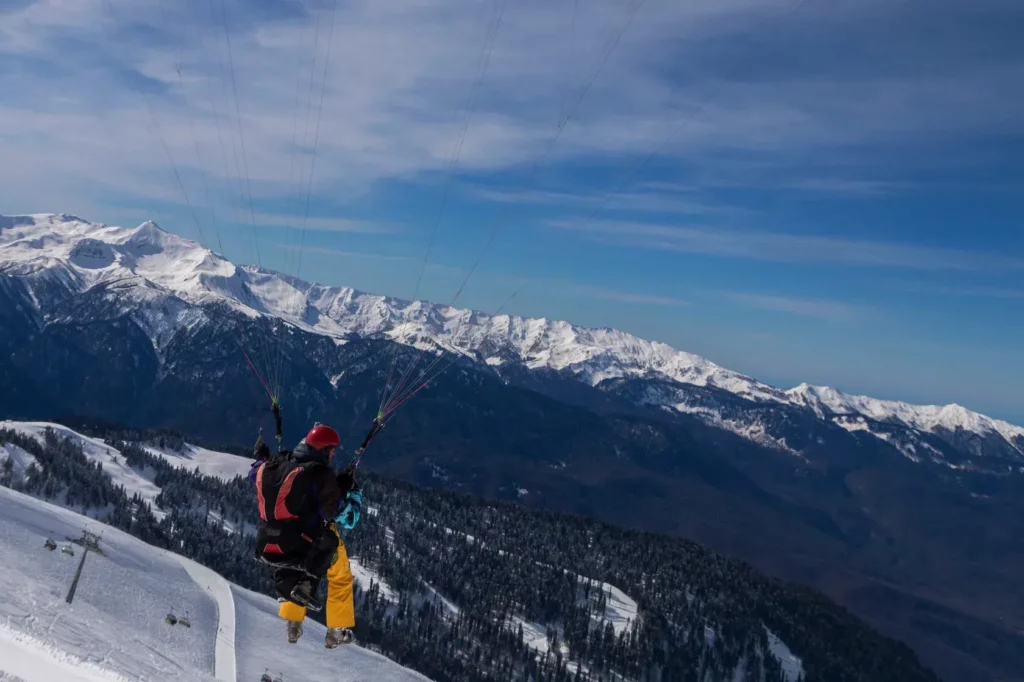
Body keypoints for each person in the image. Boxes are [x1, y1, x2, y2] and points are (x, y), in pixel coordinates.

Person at [250, 423, 364, 648]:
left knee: (298, 566)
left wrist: (260, 457)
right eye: (332, 451)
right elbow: (346, 518)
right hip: (306, 545)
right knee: (339, 572)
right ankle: (337, 629)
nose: (333, 455)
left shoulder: (280, 464)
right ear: (323, 450)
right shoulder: (320, 475)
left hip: (271, 543)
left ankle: (293, 623)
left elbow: (256, 471)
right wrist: (353, 494)